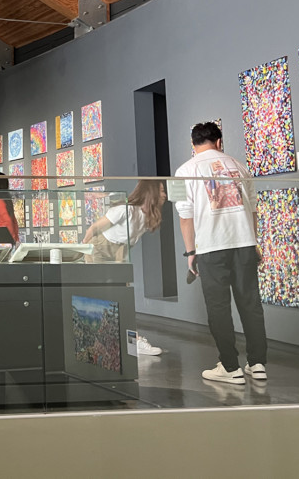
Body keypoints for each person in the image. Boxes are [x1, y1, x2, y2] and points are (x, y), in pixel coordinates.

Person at [175, 121, 268, 385]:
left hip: (211, 247)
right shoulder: (240, 166)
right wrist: (253, 242)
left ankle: (230, 367)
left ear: (193, 145)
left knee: (218, 307)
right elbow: (253, 210)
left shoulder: (183, 171)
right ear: (219, 142)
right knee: (250, 304)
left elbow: (185, 217)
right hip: (244, 243)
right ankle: (258, 363)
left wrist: (190, 252)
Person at [81, 180, 167, 356]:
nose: (164, 195)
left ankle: (131, 341)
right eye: (161, 190)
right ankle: (98, 341)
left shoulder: (147, 216)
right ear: (150, 193)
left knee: (122, 295)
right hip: (99, 248)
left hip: (121, 251)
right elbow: (94, 228)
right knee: (101, 296)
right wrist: (84, 249)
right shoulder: (125, 210)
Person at [0, 173, 19, 244]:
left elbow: (7, 220)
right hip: (6, 234)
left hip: (2, 234)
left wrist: (14, 238)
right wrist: (15, 238)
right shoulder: (7, 200)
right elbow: (13, 221)